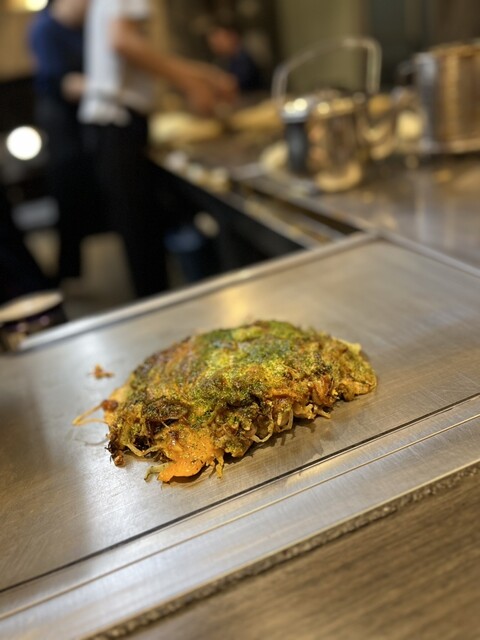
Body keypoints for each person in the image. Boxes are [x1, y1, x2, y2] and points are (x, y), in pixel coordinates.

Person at [79, 0, 237, 298]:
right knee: (142, 239)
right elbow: (123, 41)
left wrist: (204, 75)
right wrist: (191, 83)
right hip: (118, 121)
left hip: (114, 123)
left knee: (143, 234)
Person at [29, 0, 102, 283]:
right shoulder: (45, 28)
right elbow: (61, 83)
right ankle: (66, 275)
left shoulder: (80, 27)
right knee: (69, 195)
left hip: (84, 118)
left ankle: (70, 272)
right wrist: (108, 85)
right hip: (61, 121)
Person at [206, 22, 264, 93]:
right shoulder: (222, 61)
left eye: (219, 39)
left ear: (233, 36)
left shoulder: (244, 59)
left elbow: (234, 85)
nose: (215, 44)